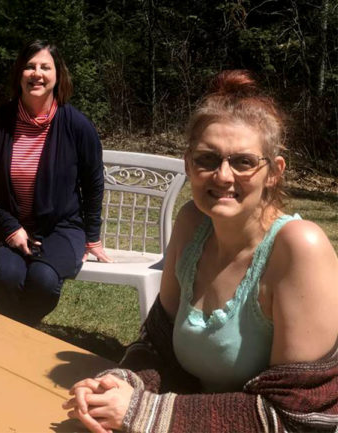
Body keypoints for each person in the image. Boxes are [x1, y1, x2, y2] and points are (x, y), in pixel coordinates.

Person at [63, 70, 338, 432]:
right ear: (188, 164)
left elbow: (301, 417)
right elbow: (158, 347)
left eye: (243, 162)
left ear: (274, 172)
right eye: (207, 159)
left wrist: (142, 413)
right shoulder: (192, 223)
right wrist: (120, 383)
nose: (223, 176)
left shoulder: (298, 247)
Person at [0, 40, 111, 326]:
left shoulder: (77, 125)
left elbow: (93, 183)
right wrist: (10, 228)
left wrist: (92, 237)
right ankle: (13, 340)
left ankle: (13, 335)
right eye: (30, 66)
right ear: (19, 73)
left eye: (45, 67)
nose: (37, 73)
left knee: (44, 280)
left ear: (58, 75)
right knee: (7, 274)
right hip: (7, 225)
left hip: (61, 227)